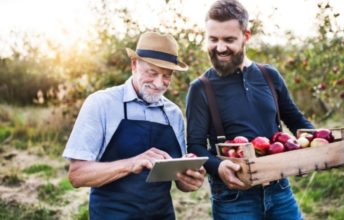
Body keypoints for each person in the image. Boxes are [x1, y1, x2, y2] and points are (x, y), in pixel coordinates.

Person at [186, 0, 314, 219]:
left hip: (280, 189)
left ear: (246, 36)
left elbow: (296, 120)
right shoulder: (201, 89)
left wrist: (321, 145)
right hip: (234, 197)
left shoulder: (269, 76)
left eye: (229, 40)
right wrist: (218, 167)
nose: (220, 47)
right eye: (213, 39)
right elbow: (195, 145)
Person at [63, 31, 206, 220]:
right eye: (152, 73)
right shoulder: (101, 104)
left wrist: (190, 178)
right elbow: (77, 175)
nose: (158, 83)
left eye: (166, 76)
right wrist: (131, 163)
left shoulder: (173, 114)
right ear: (134, 65)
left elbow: (179, 181)